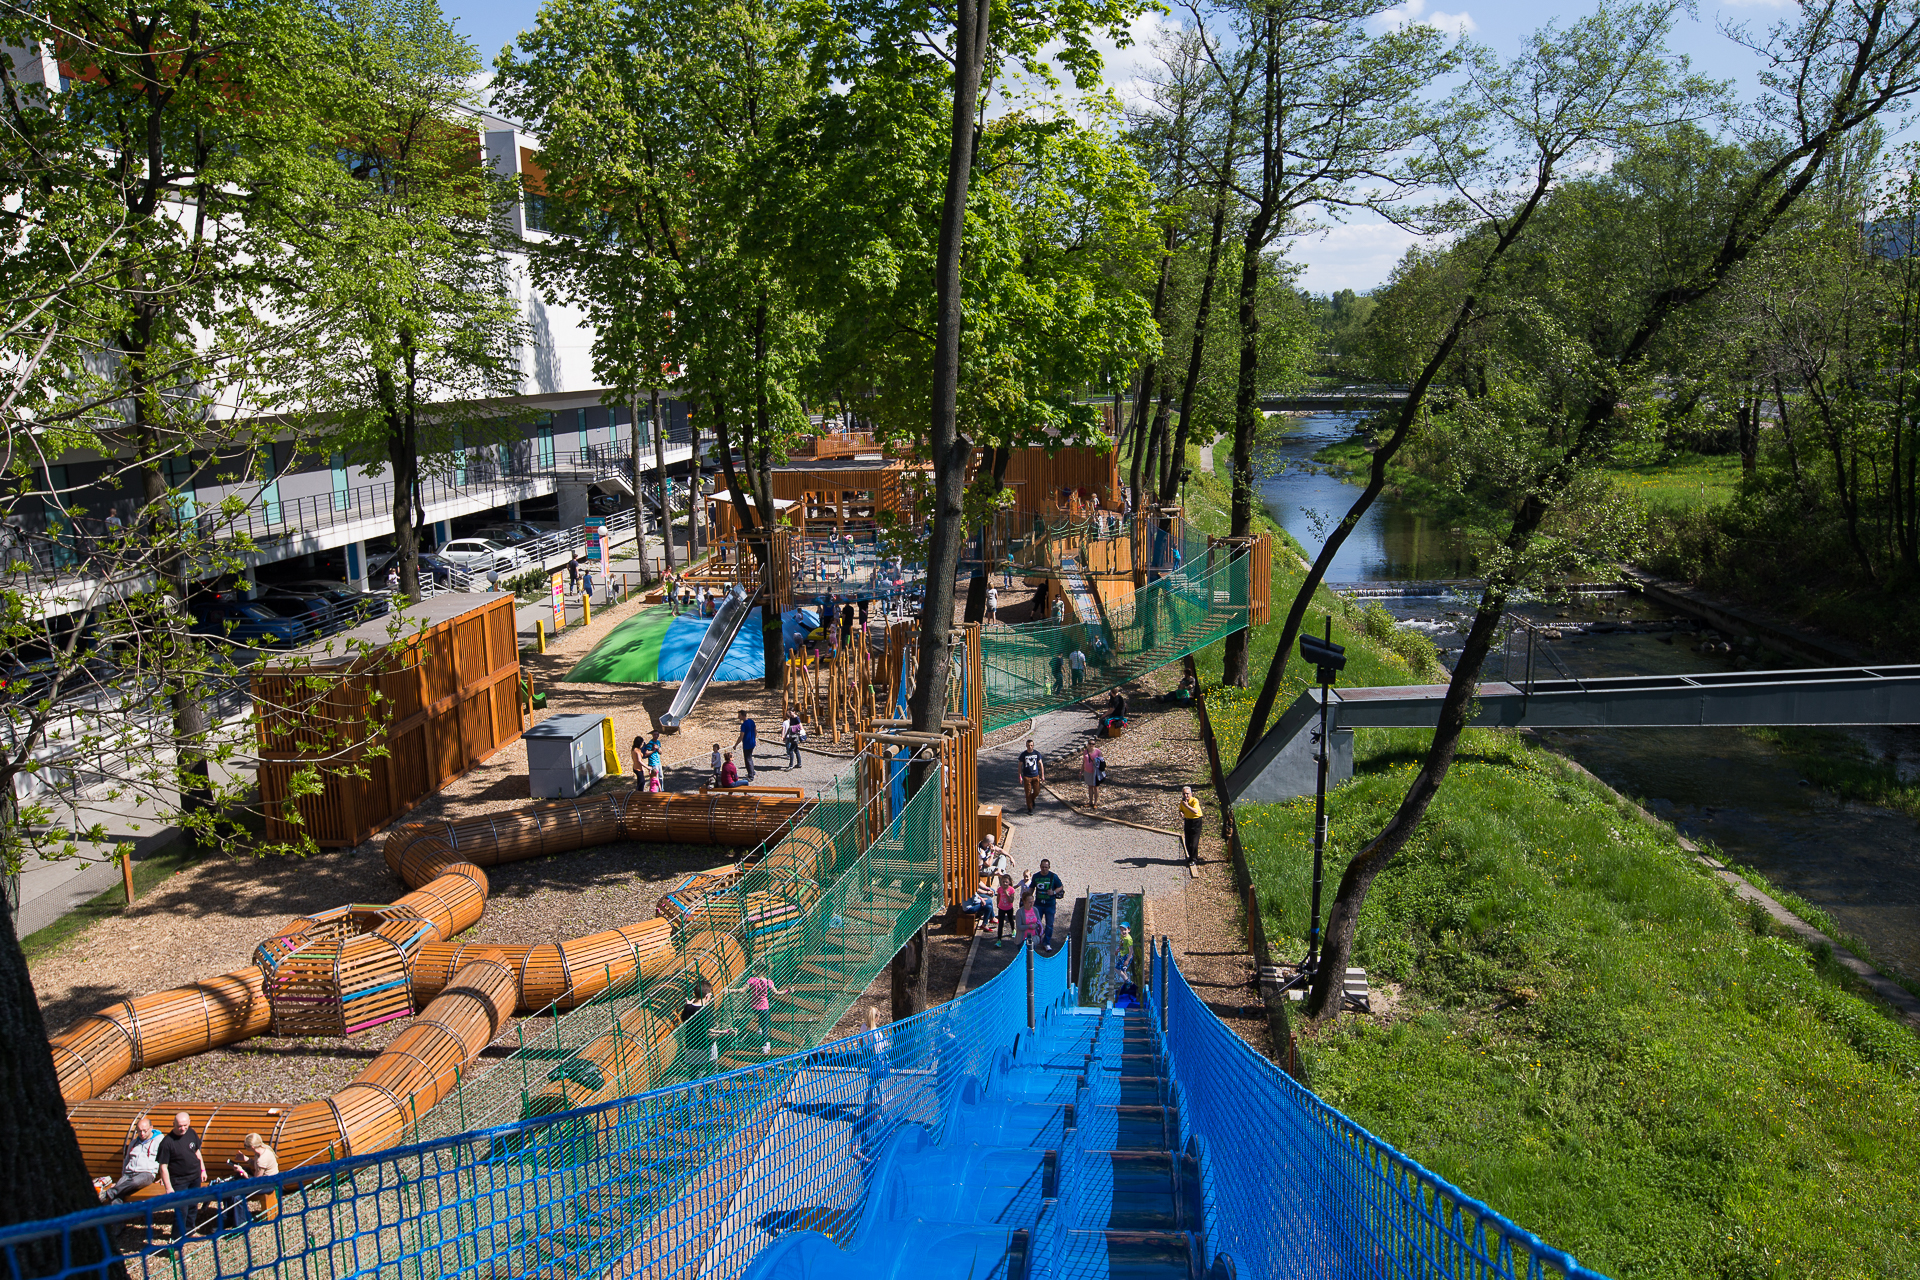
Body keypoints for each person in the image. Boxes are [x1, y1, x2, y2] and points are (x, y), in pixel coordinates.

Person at [157, 1111, 207, 1239]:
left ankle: (189, 1231)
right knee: (181, 1210)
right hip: (179, 1181)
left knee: (193, 1205)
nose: (183, 1128)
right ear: (173, 1124)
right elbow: (163, 1167)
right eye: (179, 1126)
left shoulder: (191, 1133)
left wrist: (203, 1169)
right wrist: (168, 1188)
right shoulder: (167, 1142)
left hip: (195, 1176)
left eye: (185, 1125)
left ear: (189, 1122)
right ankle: (176, 1239)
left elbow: (197, 1151)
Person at [103, 1115, 163, 1204]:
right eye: (139, 1131)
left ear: (151, 1128)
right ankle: (117, 1212)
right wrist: (123, 1176)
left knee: (134, 1182)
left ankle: (111, 1192)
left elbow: (168, 1158)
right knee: (117, 1196)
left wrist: (165, 1176)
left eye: (145, 1131)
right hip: (129, 1174)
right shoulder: (134, 1143)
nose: (142, 1134)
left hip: (146, 1174)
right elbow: (127, 1160)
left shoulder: (160, 1141)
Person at [225, 1133, 279, 1221]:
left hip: (268, 1185)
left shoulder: (262, 1159)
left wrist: (242, 1171)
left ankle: (241, 1222)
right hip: (266, 1180)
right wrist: (245, 1158)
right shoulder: (262, 1150)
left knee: (237, 1196)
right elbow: (256, 1165)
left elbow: (255, 1182)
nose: (244, 1147)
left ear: (252, 1147)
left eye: (245, 1146)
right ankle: (230, 1217)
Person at [745, 972, 783, 1053]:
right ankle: (765, 1045)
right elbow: (777, 993)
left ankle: (760, 1028)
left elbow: (742, 990)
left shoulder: (752, 980)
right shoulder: (768, 982)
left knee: (760, 1016)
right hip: (764, 1006)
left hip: (754, 1007)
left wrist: (730, 990)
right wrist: (787, 991)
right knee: (765, 1026)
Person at [1029, 859, 1063, 949]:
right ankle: (1036, 941)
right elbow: (1031, 888)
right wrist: (1027, 899)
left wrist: (1054, 892)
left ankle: (1046, 942)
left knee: (1049, 924)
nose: (1044, 869)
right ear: (1040, 866)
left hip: (1050, 905)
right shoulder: (1036, 876)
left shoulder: (1053, 876)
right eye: (1043, 867)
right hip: (1038, 904)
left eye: (1046, 867)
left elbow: (1060, 886)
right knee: (1036, 923)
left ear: (1049, 867)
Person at [1017, 738, 1045, 814]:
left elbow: (1041, 764)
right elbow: (1019, 766)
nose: (1030, 747)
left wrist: (1042, 775)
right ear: (1026, 746)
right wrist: (1020, 776)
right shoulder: (1023, 754)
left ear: (1033, 746)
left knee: (1037, 791)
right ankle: (1030, 808)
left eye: (1031, 745)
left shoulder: (1037, 754)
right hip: (1027, 776)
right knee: (1028, 793)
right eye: (1028, 745)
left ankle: (1032, 799)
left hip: (1036, 775)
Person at [1180, 785, 1204, 864]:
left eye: (1187, 794)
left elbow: (1195, 811)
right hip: (1187, 821)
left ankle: (1194, 859)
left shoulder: (1194, 801)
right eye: (1184, 794)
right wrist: (1181, 812)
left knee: (1194, 842)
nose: (1186, 796)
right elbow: (1181, 809)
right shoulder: (1182, 801)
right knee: (1187, 841)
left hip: (1196, 821)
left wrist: (1187, 806)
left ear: (1191, 794)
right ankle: (1191, 857)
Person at [733, 710, 758, 782]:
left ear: (743, 715)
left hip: (747, 744)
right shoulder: (751, 721)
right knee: (750, 757)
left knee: (747, 759)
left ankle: (750, 776)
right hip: (752, 743)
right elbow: (755, 731)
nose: (738, 717)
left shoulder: (743, 725)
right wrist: (754, 739)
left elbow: (741, 736)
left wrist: (736, 745)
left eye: (739, 715)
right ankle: (752, 771)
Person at [994, 874, 1017, 947]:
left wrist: (1007, 894)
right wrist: (998, 904)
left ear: (1009, 882)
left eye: (1006, 882)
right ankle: (999, 940)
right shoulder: (1000, 889)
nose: (1004, 884)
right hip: (1001, 908)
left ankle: (1013, 930)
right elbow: (998, 897)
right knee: (1000, 924)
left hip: (1009, 908)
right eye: (1003, 882)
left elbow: (1011, 900)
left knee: (1010, 920)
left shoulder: (1011, 890)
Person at [1082, 741, 1104, 810]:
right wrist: (1081, 771)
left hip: (1095, 772)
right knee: (1090, 786)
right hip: (1087, 771)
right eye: (1090, 744)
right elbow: (1084, 762)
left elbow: (1102, 761)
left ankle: (1095, 803)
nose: (1091, 745)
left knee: (1096, 787)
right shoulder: (1085, 752)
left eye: (1093, 744)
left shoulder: (1098, 751)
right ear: (1088, 744)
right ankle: (1090, 802)